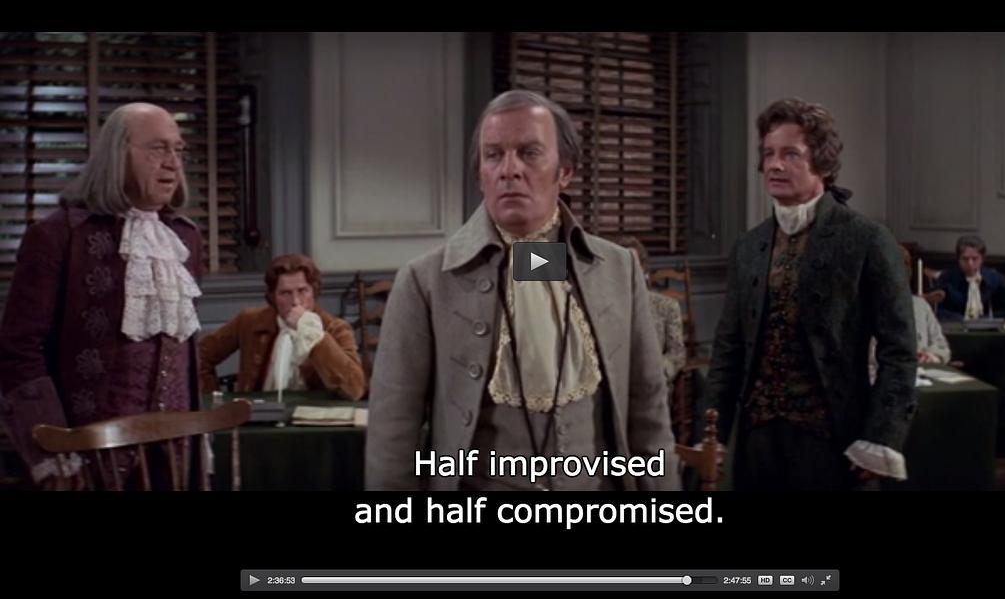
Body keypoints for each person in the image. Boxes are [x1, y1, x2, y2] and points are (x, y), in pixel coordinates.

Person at [365, 90, 677, 490]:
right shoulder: (425, 282)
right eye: (493, 155)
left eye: (529, 153)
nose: (509, 170)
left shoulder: (616, 270)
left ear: (565, 172)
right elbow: (393, 440)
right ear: (480, 174)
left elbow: (648, 416)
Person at [705, 97, 917, 491]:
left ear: (823, 163)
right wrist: (710, 433)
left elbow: (899, 351)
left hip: (832, 441)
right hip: (757, 442)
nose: (774, 165)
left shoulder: (867, 239)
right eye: (769, 153)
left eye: (790, 154)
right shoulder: (748, 247)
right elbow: (728, 348)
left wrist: (882, 436)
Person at [0, 103, 203, 489]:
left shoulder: (184, 238)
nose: (173, 163)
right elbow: (18, 351)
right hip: (87, 464)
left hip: (174, 462)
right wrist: (55, 455)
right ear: (116, 154)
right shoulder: (58, 236)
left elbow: (183, 352)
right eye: (158, 149)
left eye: (178, 149)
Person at [198, 253, 368, 400]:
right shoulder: (249, 321)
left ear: (314, 292)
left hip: (312, 418)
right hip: (259, 416)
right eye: (285, 293)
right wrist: (213, 398)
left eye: (302, 291)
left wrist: (314, 335)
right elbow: (198, 357)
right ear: (273, 296)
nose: (295, 301)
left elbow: (355, 389)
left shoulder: (335, 328)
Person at [615, 235, 686, 386]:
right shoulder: (604, 308)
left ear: (643, 268)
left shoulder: (666, 306)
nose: (627, 270)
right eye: (621, 264)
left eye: (633, 264)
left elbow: (677, 354)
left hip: (653, 384)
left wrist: (657, 372)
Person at [937, 234, 1005, 321]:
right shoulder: (947, 278)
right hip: (957, 325)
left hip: (989, 326)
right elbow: (939, 310)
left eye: (974, 259)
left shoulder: (995, 279)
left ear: (982, 259)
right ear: (958, 259)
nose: (970, 264)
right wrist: (962, 319)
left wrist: (987, 319)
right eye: (965, 259)